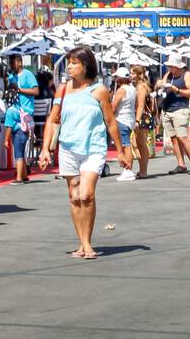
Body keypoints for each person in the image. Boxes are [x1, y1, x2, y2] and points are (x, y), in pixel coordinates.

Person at [38, 46, 122, 259]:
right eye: (69, 63)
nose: (70, 67)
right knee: (74, 196)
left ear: (85, 66)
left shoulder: (100, 90)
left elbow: (110, 121)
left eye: (74, 63)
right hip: (68, 147)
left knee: (87, 194)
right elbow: (52, 119)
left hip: (93, 148)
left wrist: (122, 151)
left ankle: (88, 243)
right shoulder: (63, 90)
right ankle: (82, 244)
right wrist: (45, 149)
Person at [158, 54, 190, 174]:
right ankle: (181, 164)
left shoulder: (186, 75)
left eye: (172, 66)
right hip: (167, 109)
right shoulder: (169, 75)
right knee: (174, 139)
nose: (170, 68)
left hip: (180, 109)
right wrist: (159, 85)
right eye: (169, 66)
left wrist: (177, 90)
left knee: (182, 137)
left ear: (178, 66)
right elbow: (162, 83)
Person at [111, 67, 141, 182]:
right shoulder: (133, 89)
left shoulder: (121, 90)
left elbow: (114, 106)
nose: (115, 79)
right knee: (126, 144)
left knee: (125, 145)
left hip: (121, 119)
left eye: (117, 77)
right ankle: (128, 169)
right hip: (130, 119)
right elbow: (136, 105)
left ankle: (128, 170)